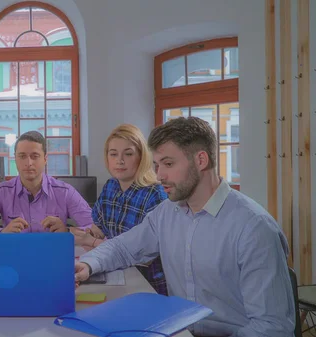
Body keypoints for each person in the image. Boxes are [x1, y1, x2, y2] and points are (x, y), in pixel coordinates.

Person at [74, 117, 294, 337]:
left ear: (201, 160)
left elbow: (272, 328)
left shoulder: (254, 228)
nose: (160, 175)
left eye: (168, 164)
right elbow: (123, 248)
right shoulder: (167, 213)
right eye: (157, 165)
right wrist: (87, 264)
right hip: (176, 330)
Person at [70, 124, 168, 295]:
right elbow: (98, 229)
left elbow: (142, 254)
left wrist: (90, 241)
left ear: (142, 157)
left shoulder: (155, 194)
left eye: (128, 154)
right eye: (113, 154)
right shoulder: (111, 186)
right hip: (116, 272)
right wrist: (79, 234)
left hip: (146, 284)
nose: (119, 161)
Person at [0, 131, 94, 233]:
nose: (28, 163)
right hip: (15, 254)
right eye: (22, 156)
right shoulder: (1, 192)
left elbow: (95, 227)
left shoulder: (65, 192)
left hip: (52, 254)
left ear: (45, 159)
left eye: (35, 156)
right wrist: (2, 233)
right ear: (15, 158)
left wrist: (67, 231)